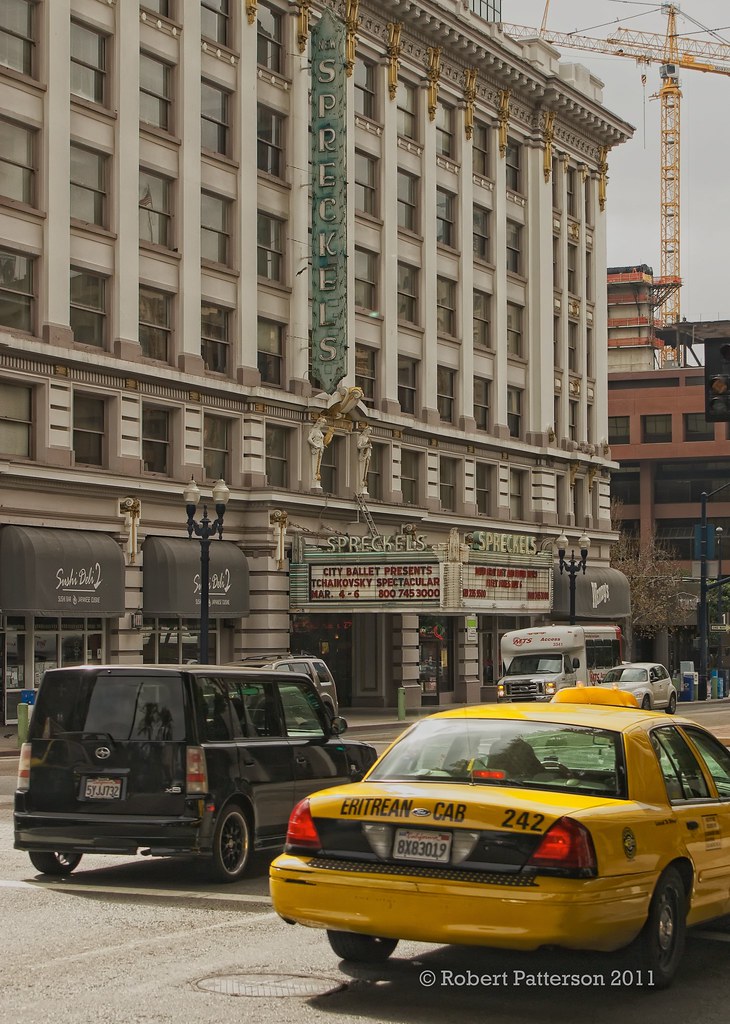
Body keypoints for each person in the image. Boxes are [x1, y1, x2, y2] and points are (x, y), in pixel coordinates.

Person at [307, 415, 329, 484]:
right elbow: (309, 439)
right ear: (319, 423)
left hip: (321, 449)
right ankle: (315, 477)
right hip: (316, 449)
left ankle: (317, 474)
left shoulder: (319, 431)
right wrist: (315, 445)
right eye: (323, 423)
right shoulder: (314, 430)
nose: (323, 424)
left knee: (318, 464)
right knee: (315, 463)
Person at [356, 423, 372, 493]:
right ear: (366, 430)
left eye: (370, 431)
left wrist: (369, 447)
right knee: (362, 468)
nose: (369, 432)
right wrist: (366, 446)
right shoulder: (361, 437)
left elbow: (370, 446)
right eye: (369, 431)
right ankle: (361, 483)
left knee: (366, 468)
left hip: (367, 454)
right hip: (363, 455)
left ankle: (364, 480)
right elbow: (358, 446)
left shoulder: (368, 439)